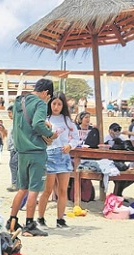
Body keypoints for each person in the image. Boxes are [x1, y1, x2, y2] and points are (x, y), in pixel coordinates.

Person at [6, 78, 54, 237]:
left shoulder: (19, 101)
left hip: (21, 152)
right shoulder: (40, 104)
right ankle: (29, 225)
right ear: (46, 93)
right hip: (35, 151)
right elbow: (37, 124)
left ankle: (12, 220)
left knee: (22, 189)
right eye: (49, 97)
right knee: (34, 190)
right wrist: (50, 134)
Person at [36, 92, 78, 230]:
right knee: (47, 190)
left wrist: (70, 145)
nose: (56, 107)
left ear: (63, 105)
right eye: (54, 103)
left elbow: (75, 137)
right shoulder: (45, 119)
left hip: (63, 155)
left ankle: (60, 219)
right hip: (49, 155)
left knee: (63, 190)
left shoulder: (67, 120)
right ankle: (40, 218)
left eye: (59, 104)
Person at [6, 103, 19, 191]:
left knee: (14, 165)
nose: (9, 115)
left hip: (17, 148)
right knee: (14, 165)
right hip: (12, 148)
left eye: (10, 113)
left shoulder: (18, 124)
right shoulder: (13, 124)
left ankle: (15, 184)